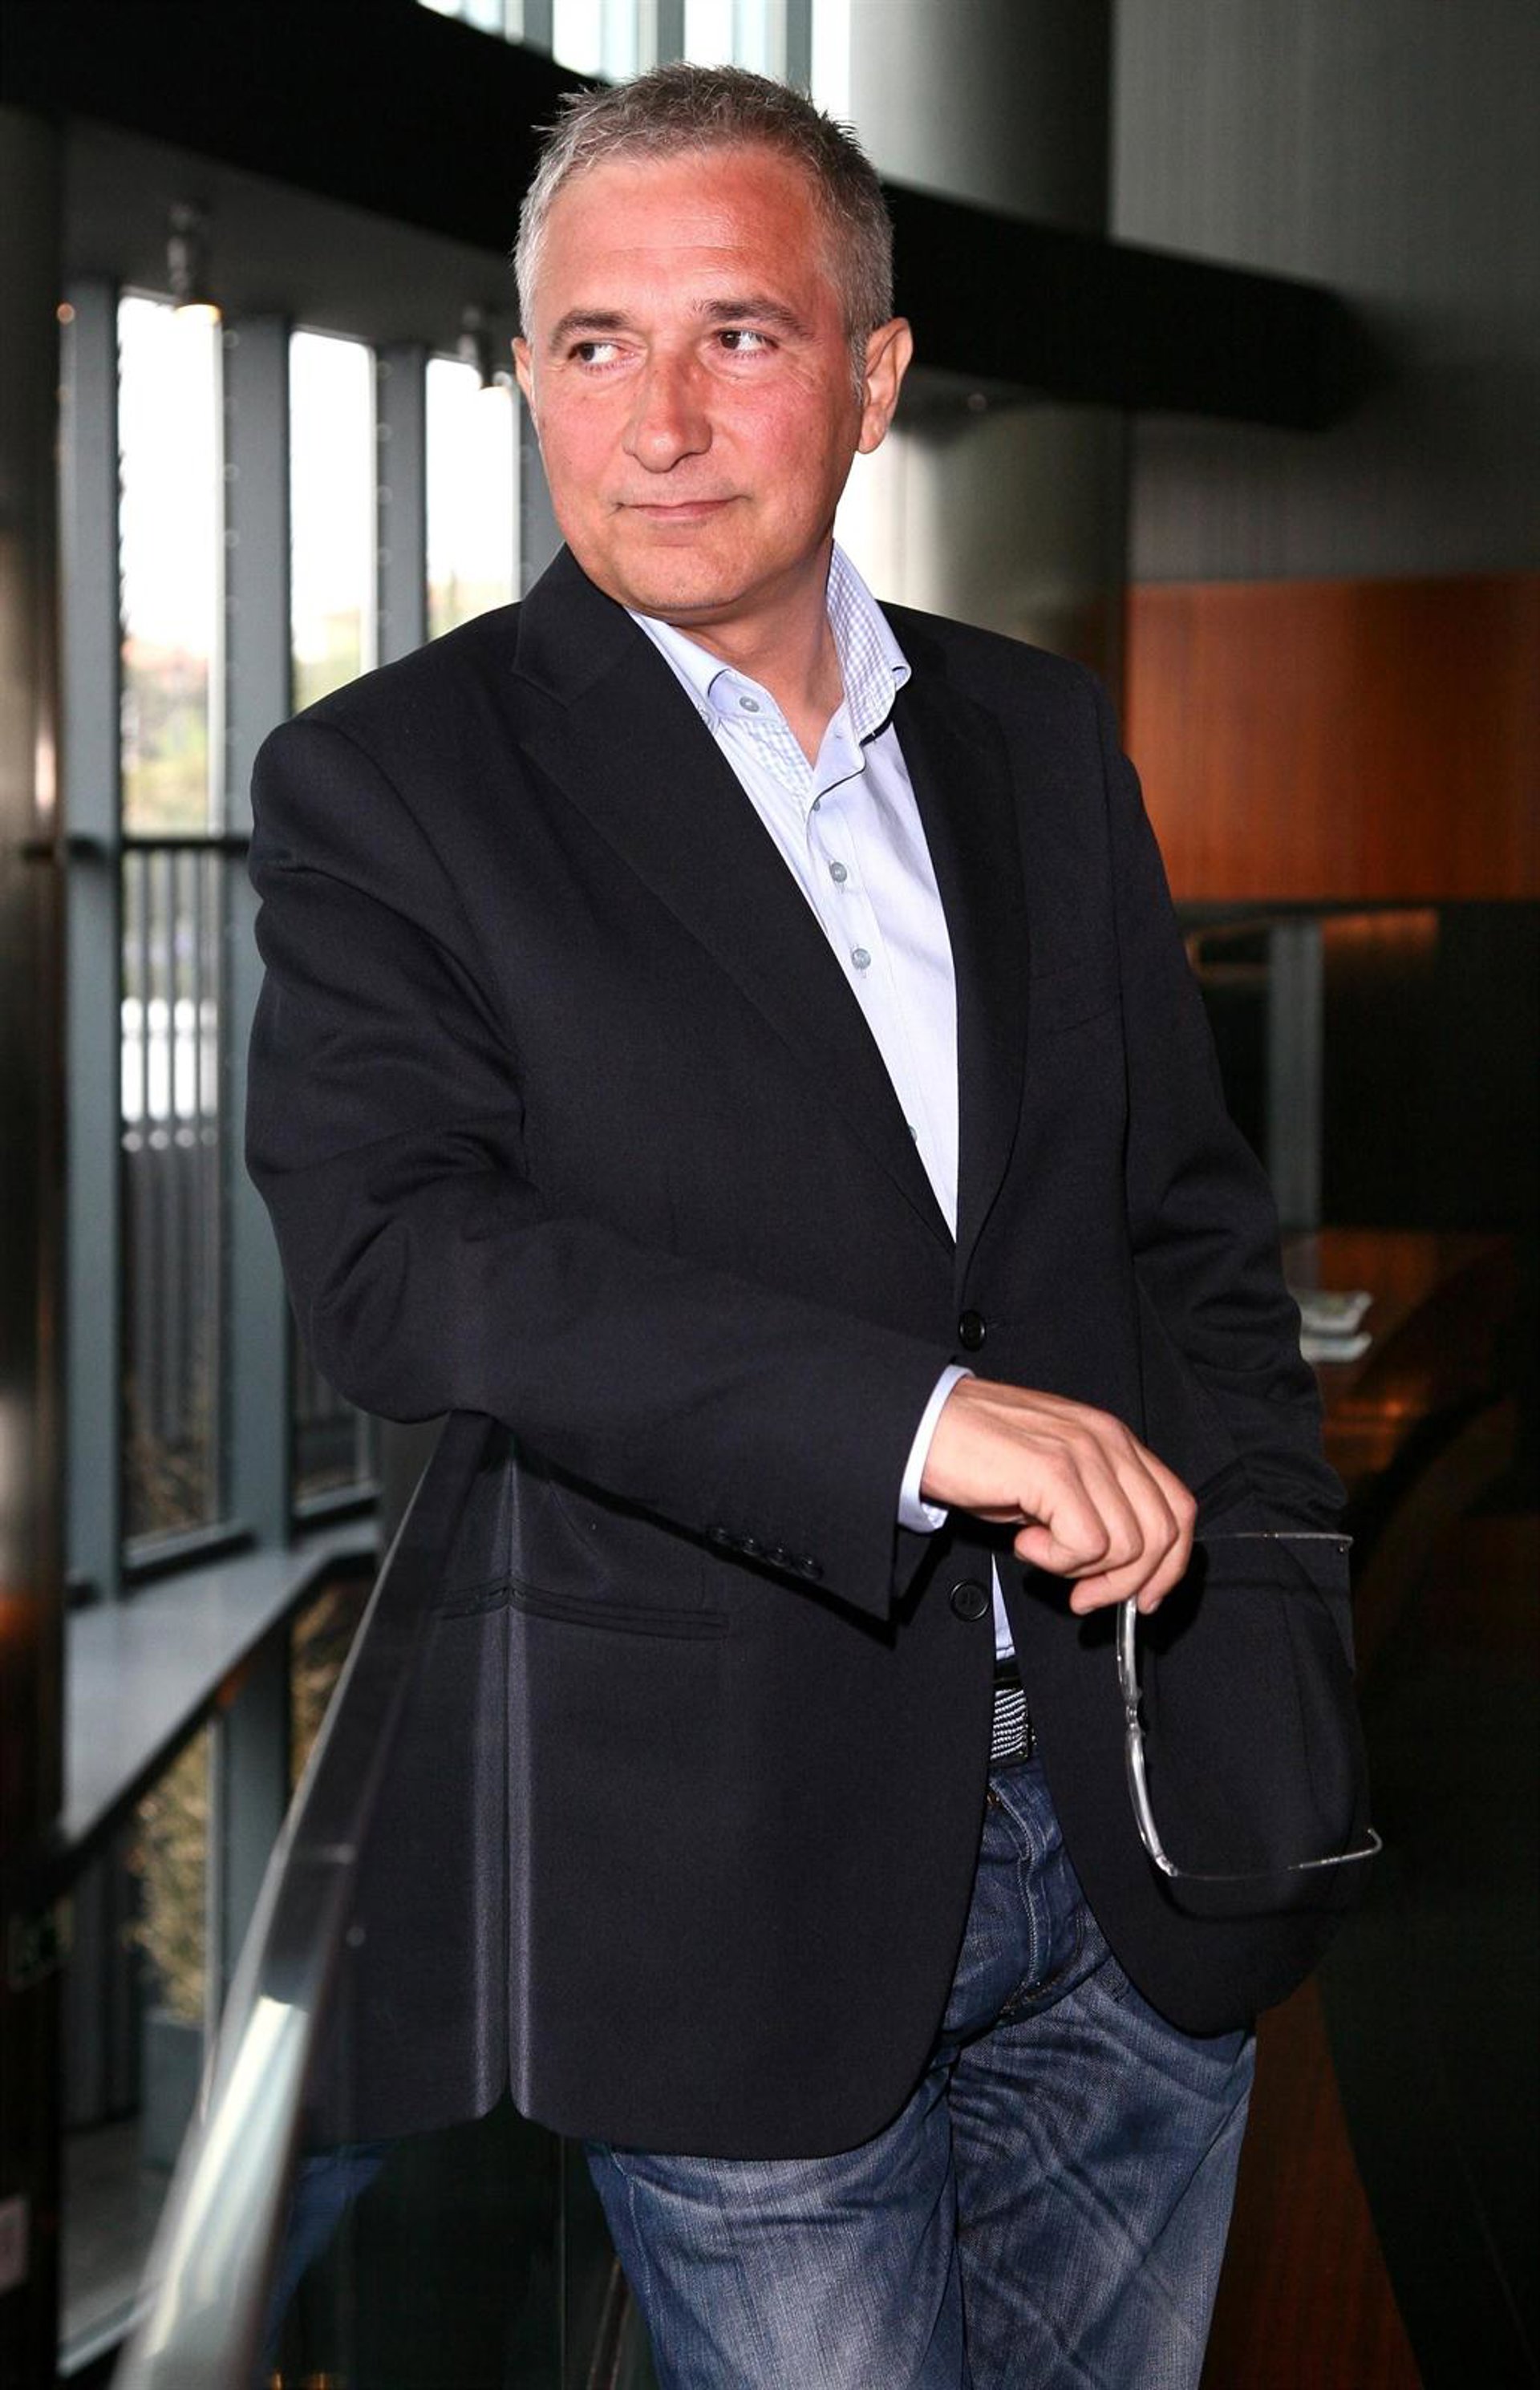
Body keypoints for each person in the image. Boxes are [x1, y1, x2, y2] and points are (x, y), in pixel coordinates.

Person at [246, 63, 1367, 2390]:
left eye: (738, 335)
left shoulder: (1038, 739)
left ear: (873, 378)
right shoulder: (393, 782)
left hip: (1140, 1839)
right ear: (528, 372)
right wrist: (922, 1420)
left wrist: (1277, 1627)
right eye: (595, 344)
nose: (657, 421)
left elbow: (1191, 1235)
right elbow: (403, 1265)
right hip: (728, 1891)